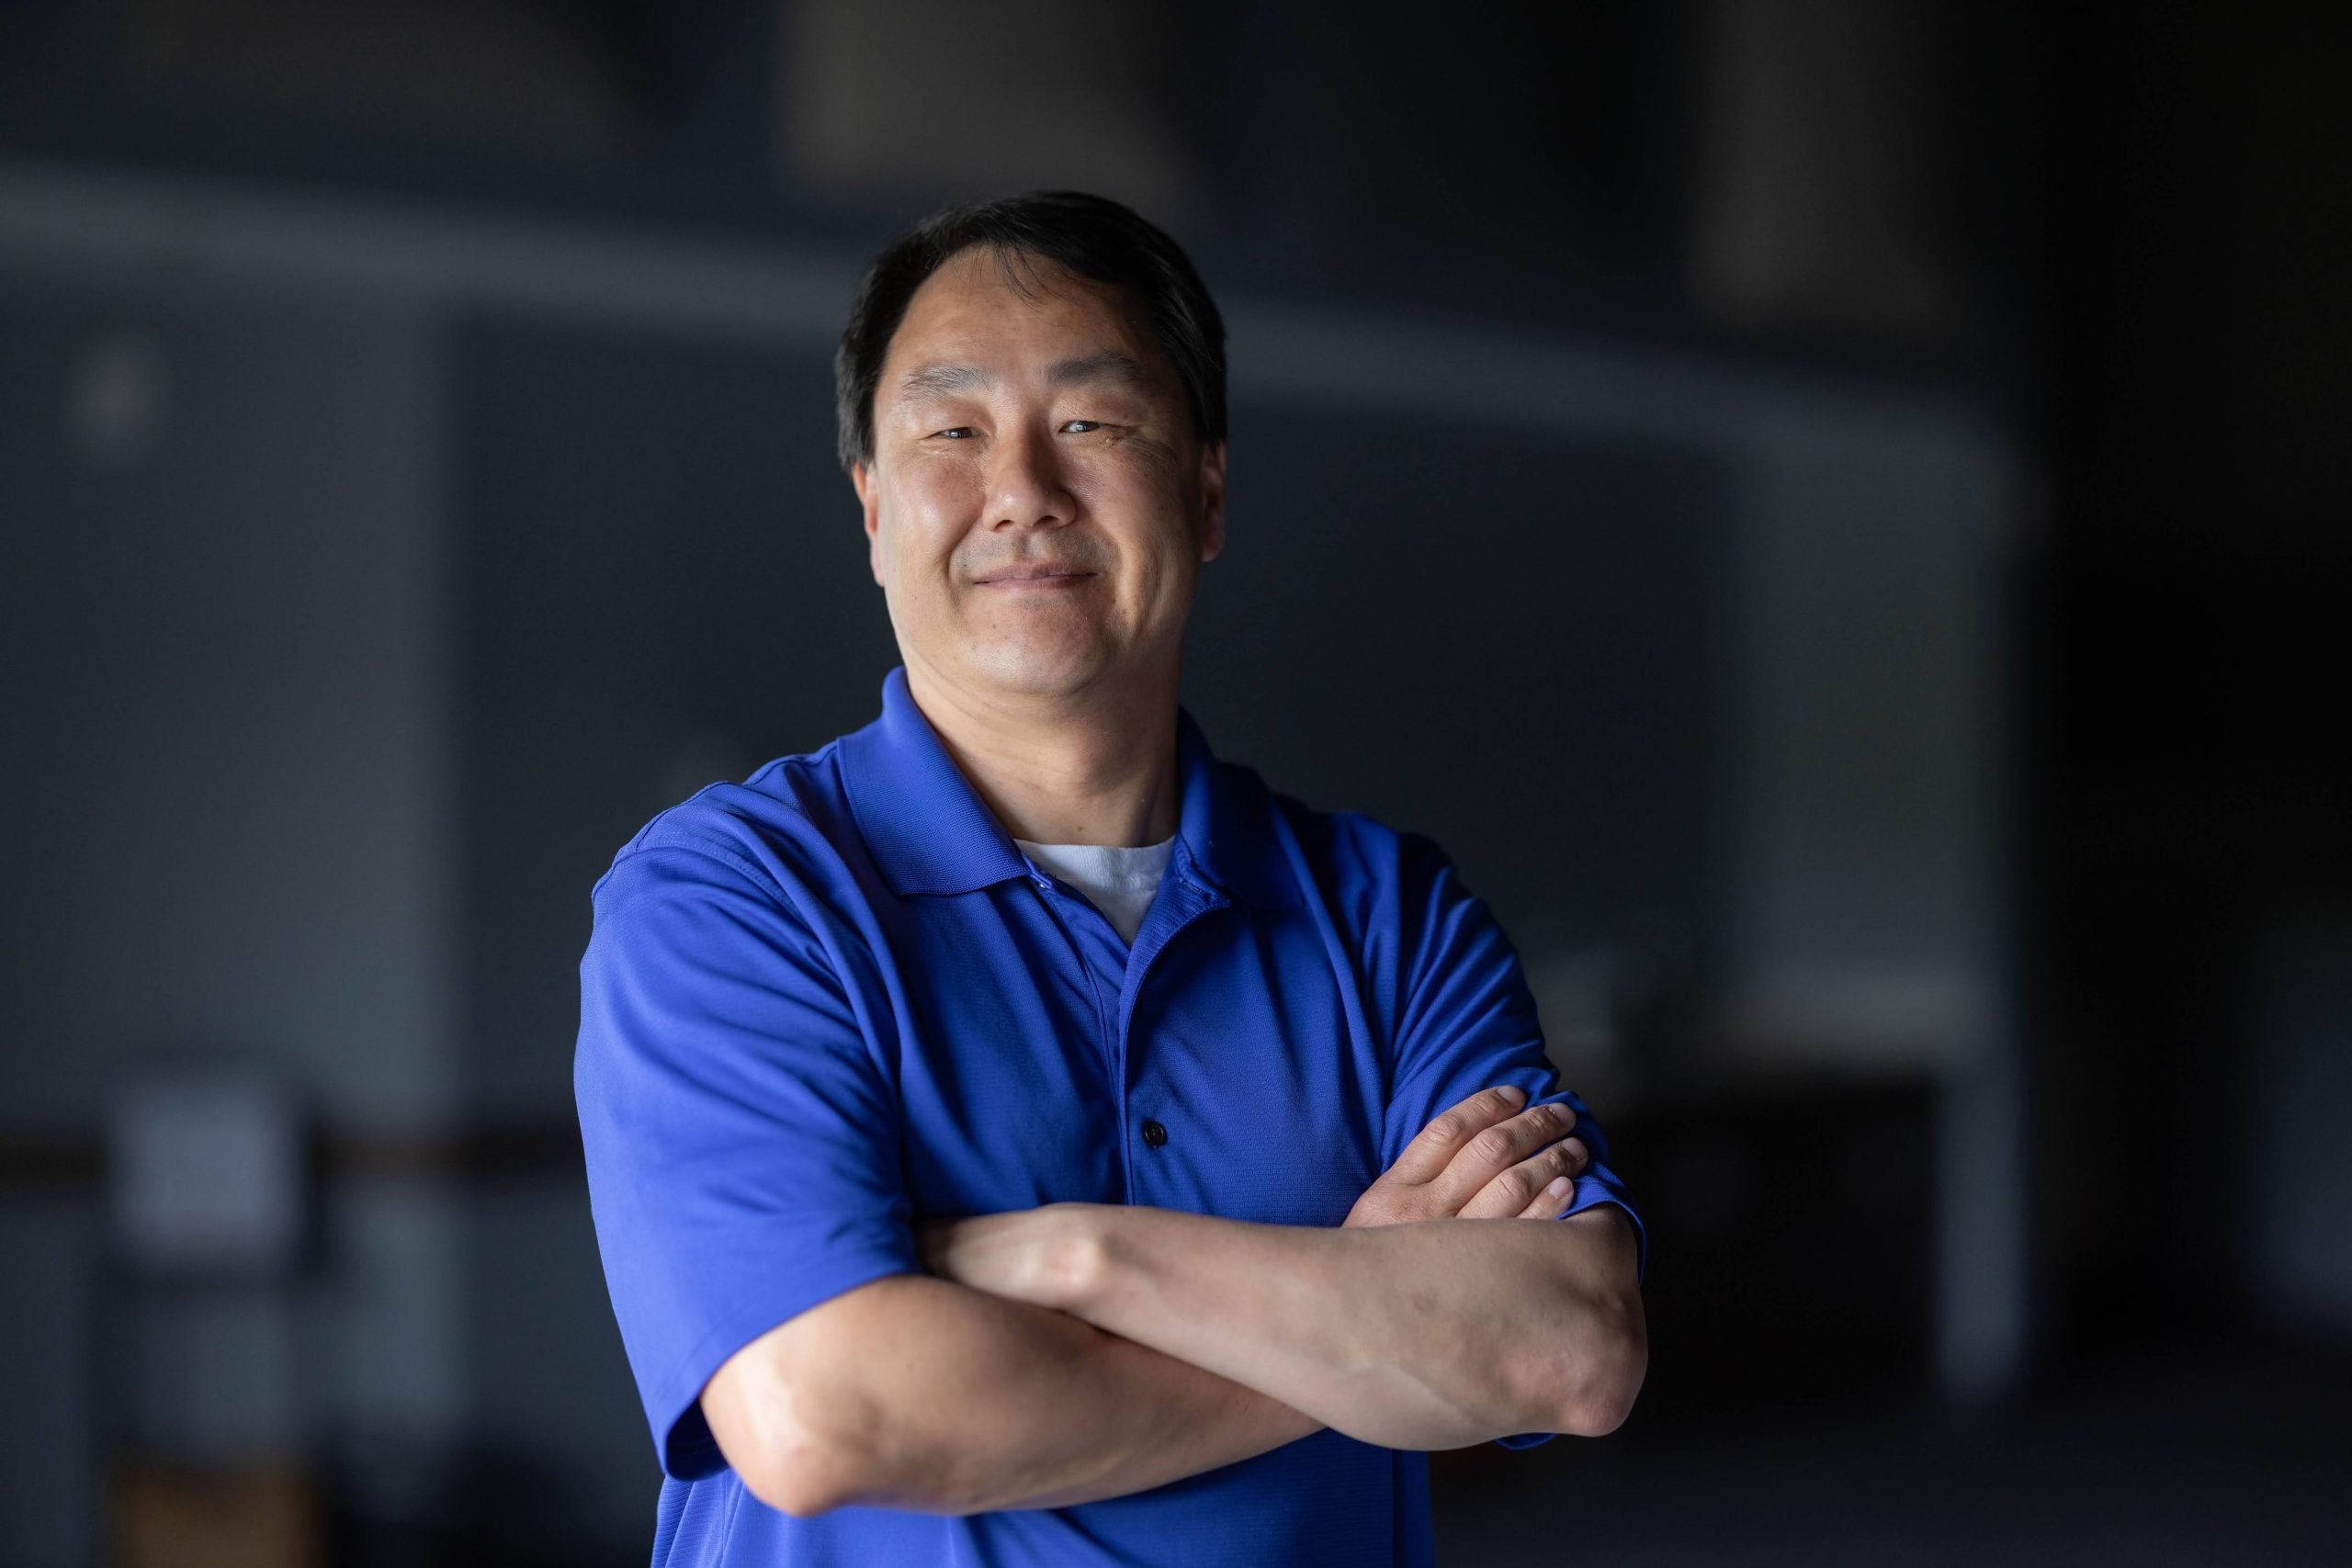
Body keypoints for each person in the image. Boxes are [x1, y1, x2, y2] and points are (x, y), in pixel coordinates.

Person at [574, 190, 1647, 1568]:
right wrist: (1356, 1314)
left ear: (1206, 491)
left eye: (1091, 421)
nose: (1022, 489)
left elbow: (1572, 1350)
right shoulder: (731, 899)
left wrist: (1078, 1257)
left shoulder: (1390, 914)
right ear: (873, 508)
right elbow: (826, 1414)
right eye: (952, 433)